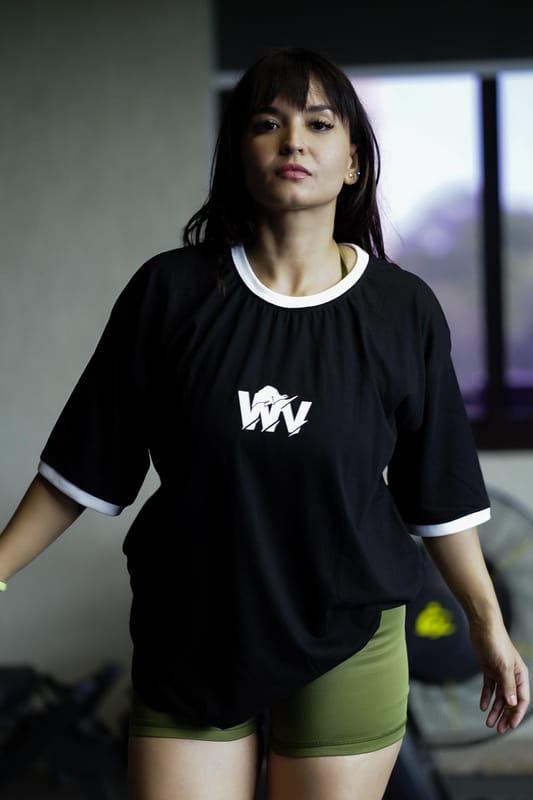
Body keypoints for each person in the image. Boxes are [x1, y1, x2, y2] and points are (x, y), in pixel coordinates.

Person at [0, 47, 529, 800]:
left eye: (319, 124)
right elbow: (82, 467)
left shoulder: (402, 308)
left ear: (353, 161)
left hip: (347, 633)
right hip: (192, 631)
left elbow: (439, 493)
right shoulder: (170, 293)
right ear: (238, 155)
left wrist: (485, 623)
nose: (292, 141)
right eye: (266, 123)